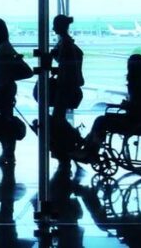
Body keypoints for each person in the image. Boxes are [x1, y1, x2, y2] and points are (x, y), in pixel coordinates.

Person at [73, 54, 141, 159]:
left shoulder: (138, 84)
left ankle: (90, 149)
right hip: (139, 120)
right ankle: (90, 148)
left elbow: (139, 105)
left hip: (134, 122)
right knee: (102, 121)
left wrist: (126, 105)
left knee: (101, 121)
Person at [0, 18, 32, 165]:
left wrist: (7, 77)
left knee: (4, 121)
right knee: (4, 120)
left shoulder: (5, 49)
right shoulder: (2, 46)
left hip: (3, 88)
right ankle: (7, 153)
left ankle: (9, 153)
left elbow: (25, 71)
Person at [48, 14, 84, 170]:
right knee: (58, 118)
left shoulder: (65, 44)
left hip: (66, 86)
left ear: (60, 27)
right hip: (67, 85)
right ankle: (72, 143)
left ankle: (76, 139)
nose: (53, 28)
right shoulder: (65, 42)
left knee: (58, 119)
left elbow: (66, 67)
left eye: (55, 25)